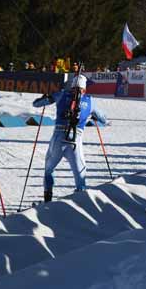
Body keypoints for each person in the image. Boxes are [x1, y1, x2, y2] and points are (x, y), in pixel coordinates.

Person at [33, 74, 108, 202]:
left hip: (58, 138)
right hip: (75, 140)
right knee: (80, 173)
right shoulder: (90, 100)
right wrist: (93, 114)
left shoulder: (61, 94)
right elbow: (104, 119)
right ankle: (81, 200)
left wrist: (45, 97)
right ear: (84, 88)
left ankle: (47, 198)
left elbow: (36, 104)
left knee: (49, 168)